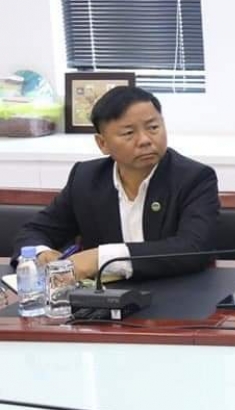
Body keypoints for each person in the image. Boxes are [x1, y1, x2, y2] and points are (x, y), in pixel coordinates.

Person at [12, 86, 220, 281]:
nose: (145, 140)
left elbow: (194, 248)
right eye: (129, 133)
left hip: (177, 291)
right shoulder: (85, 178)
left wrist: (101, 258)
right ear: (102, 143)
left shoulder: (195, 178)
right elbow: (34, 231)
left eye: (153, 127)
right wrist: (40, 254)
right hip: (104, 298)